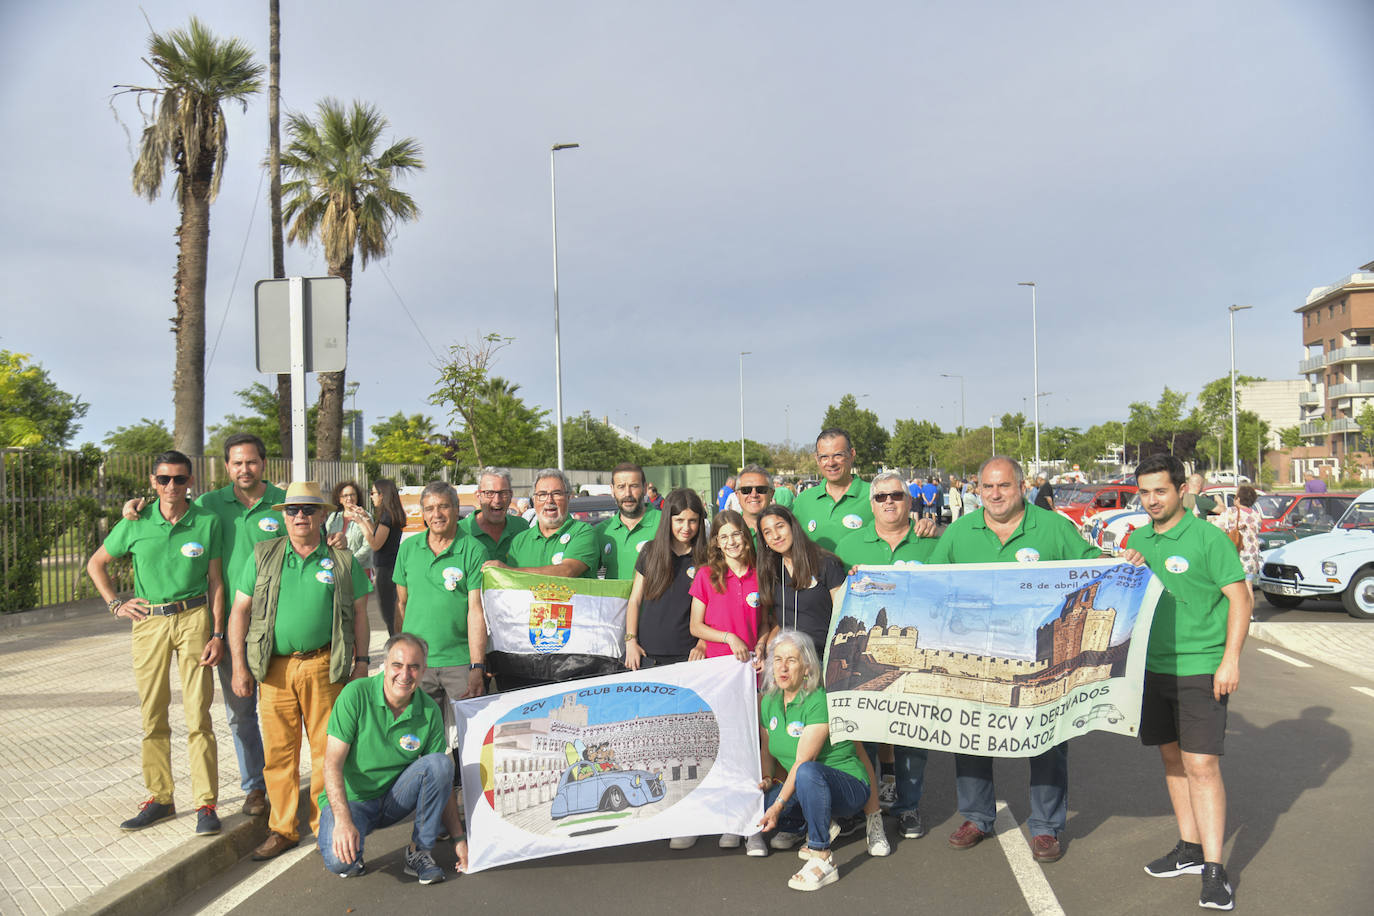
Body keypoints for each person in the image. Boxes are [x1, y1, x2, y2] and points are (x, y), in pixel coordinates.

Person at [926, 456, 1102, 864]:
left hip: (1040, 658)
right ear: (978, 490)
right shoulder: (959, 533)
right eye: (987, 487)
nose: (995, 494)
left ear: (1021, 487)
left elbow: (1094, 565)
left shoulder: (1054, 528)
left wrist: (1125, 564)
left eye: (1003, 486)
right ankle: (976, 817)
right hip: (975, 658)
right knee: (968, 736)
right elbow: (932, 582)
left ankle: (1045, 827)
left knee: (1045, 740)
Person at [120, 432, 275, 816]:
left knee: (279, 707)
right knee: (240, 712)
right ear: (226, 467)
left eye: (251, 461)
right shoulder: (207, 506)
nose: (244, 468)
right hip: (229, 624)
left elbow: (314, 539)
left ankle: (286, 782)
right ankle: (255, 787)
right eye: (237, 463)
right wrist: (134, 510)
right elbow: (211, 573)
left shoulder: (285, 503)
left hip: (277, 619)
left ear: (263, 464)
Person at [1120, 454, 1250, 912]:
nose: (1152, 500)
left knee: (1202, 766)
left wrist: (1230, 660)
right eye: (1144, 492)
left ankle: (1215, 871)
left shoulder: (1208, 538)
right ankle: (1189, 849)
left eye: (1160, 491)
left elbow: (1241, 599)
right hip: (1152, 669)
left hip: (1200, 666)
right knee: (1172, 760)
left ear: (1181, 491)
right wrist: (1125, 566)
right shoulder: (1135, 538)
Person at [227, 481, 372, 859]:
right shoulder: (263, 555)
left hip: (325, 665)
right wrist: (239, 666)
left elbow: (359, 613)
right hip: (273, 669)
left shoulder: (340, 559)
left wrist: (362, 662)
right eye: (293, 510)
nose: (301, 516)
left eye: (309, 509)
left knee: (328, 752)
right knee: (279, 753)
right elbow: (239, 611)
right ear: (284, 516)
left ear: (323, 515)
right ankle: (283, 829)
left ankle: (326, 826)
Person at [87, 450, 225, 834]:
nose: (171, 487)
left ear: (190, 482)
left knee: (198, 715)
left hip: (194, 617)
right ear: (152, 482)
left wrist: (217, 633)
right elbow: (96, 563)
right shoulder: (135, 521)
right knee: (153, 714)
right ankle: (161, 798)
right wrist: (115, 603)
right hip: (149, 621)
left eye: (179, 479)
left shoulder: (207, 521)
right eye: (163, 479)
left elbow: (216, 581)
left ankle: (206, 804)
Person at [834, 471, 938, 839]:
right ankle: (866, 805)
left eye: (897, 495)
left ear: (910, 502)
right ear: (872, 503)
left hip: (914, 653)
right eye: (881, 497)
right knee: (863, 736)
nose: (889, 502)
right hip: (865, 656)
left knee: (912, 737)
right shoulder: (847, 545)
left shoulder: (933, 543)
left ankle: (909, 807)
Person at [318, 633, 469, 884]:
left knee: (442, 764)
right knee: (340, 862)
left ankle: (418, 852)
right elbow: (332, 764)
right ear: (384, 665)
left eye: (414, 667)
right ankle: (352, 840)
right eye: (397, 665)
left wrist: (459, 839)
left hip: (394, 800)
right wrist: (343, 821)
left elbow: (441, 778)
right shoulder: (355, 695)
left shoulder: (429, 710)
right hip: (353, 802)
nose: (405, 674)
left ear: (424, 671)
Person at [756, 629, 886, 888]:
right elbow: (767, 751)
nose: (782, 667)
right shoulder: (769, 701)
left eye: (791, 660)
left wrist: (778, 806)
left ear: (806, 667)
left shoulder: (817, 700)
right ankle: (815, 823)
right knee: (760, 802)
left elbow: (803, 762)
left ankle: (822, 856)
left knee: (804, 775)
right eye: (778, 659)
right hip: (808, 783)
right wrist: (767, 778)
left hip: (848, 787)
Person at [393, 481, 489, 777]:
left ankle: (472, 808)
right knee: (420, 740)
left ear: (457, 510)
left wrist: (477, 665)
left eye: (443, 506)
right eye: (430, 508)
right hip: (417, 665)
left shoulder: (473, 549)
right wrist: (396, 657)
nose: (437, 514)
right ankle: (432, 807)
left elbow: (476, 611)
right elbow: (401, 604)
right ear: (422, 513)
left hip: (458, 661)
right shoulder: (408, 548)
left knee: (471, 740)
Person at [686, 509, 764, 851]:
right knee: (724, 747)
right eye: (724, 536)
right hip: (719, 674)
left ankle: (752, 827)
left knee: (753, 750)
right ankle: (725, 818)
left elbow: (768, 621)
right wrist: (728, 637)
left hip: (752, 672)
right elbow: (695, 627)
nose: (732, 541)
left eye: (737, 534)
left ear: (746, 537)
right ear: (716, 542)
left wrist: (761, 642)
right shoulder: (706, 575)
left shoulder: (761, 574)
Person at [625, 487, 710, 671]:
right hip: (647, 654)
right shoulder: (650, 551)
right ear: (667, 520)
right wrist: (630, 641)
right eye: (679, 520)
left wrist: (703, 643)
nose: (686, 528)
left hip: (688, 655)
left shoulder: (706, 558)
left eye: (692, 521)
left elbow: (713, 609)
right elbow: (635, 599)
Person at [756, 505, 846, 662]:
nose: (775, 536)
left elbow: (843, 617)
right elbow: (780, 620)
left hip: (823, 659)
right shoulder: (772, 570)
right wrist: (767, 648)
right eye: (767, 532)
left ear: (793, 526)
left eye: (780, 526)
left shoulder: (826, 564)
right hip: (789, 662)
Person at [490, 469, 598, 578]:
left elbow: (567, 571)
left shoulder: (583, 532)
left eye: (556, 494)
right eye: (542, 494)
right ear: (534, 500)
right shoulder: (520, 541)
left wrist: (509, 571)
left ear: (568, 498)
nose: (549, 500)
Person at [792, 429, 872, 552]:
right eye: (824, 457)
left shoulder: (875, 496)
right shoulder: (803, 500)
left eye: (838, 455)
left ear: (852, 454)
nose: (831, 463)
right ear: (817, 459)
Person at [353, 479, 406, 636]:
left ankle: (395, 646)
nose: (371, 497)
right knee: (392, 612)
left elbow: (376, 544)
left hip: (386, 570)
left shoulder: (387, 517)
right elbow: (378, 534)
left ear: (383, 495)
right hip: (390, 567)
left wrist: (360, 523)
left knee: (389, 614)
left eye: (373, 493)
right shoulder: (389, 515)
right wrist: (366, 519)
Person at [596, 462, 661, 580]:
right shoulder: (601, 531)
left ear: (645, 488)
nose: (627, 493)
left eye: (634, 486)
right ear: (612, 489)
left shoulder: (665, 523)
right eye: (621, 487)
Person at [459, 469, 525, 564]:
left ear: (511, 496)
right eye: (489, 493)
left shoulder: (521, 527)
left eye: (503, 493)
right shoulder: (460, 531)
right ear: (478, 496)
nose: (497, 500)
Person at [1211, 484, 1261, 585]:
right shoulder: (1256, 515)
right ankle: (1250, 602)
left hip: (1237, 555)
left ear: (1238, 499)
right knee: (1248, 586)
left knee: (1236, 588)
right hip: (1252, 556)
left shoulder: (1231, 512)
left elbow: (1217, 527)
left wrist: (1219, 501)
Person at [326, 481, 374, 576]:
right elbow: (327, 539)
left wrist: (351, 562)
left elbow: (369, 544)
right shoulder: (334, 517)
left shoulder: (365, 516)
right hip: (337, 569)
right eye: (345, 495)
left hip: (359, 569)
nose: (349, 498)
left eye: (352, 495)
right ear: (340, 499)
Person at [733, 464, 777, 546]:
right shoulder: (728, 531)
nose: (754, 495)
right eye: (746, 490)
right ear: (737, 495)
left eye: (761, 489)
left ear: (771, 494)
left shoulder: (785, 532)